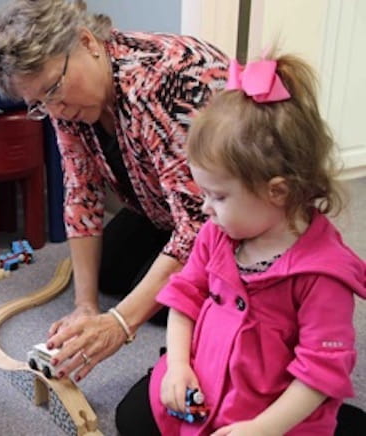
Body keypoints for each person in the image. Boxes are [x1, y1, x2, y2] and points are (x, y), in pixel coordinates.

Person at [115, 52, 366, 435]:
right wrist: (179, 364)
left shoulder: (324, 275)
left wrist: (262, 429)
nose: (205, 207)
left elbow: (319, 374)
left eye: (218, 196)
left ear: (277, 192)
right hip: (206, 388)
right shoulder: (216, 234)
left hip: (269, 414)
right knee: (131, 418)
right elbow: (183, 298)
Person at [0, 0, 228, 379]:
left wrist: (120, 325)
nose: (55, 111)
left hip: (226, 215)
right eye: (40, 103)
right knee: (107, 275)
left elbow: (197, 225)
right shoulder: (67, 102)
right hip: (162, 204)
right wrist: (85, 305)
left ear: (87, 42)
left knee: (160, 303)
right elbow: (81, 193)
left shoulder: (164, 81)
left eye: (53, 90)